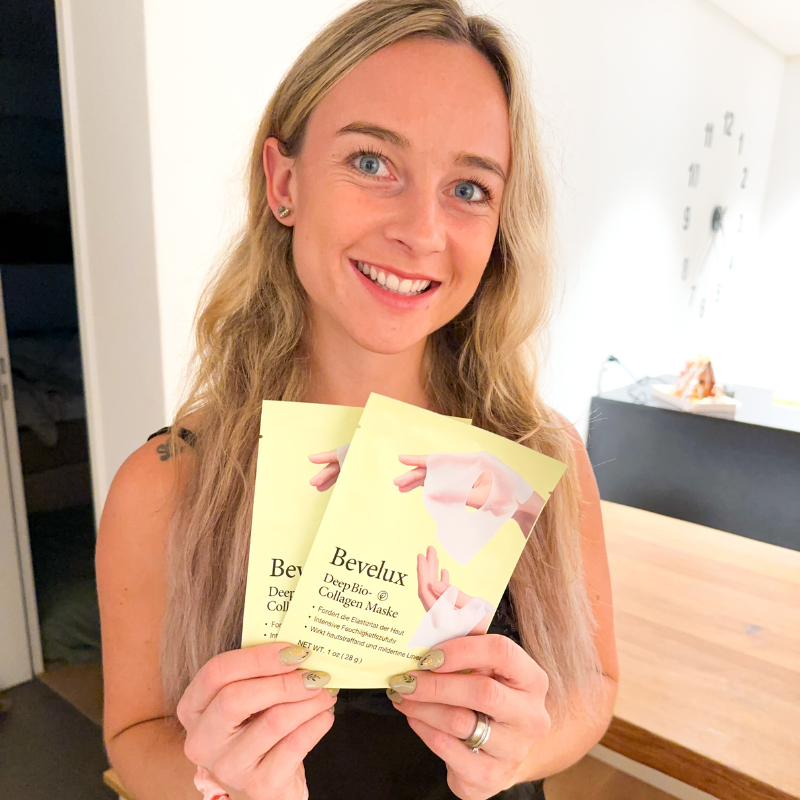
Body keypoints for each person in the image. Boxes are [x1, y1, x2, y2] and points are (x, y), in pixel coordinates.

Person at [95, 1, 619, 798]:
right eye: (372, 162)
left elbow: (594, 688)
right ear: (284, 183)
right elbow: (135, 735)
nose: (422, 231)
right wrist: (214, 783)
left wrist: (517, 750)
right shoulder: (164, 483)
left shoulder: (539, 459)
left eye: (469, 187)